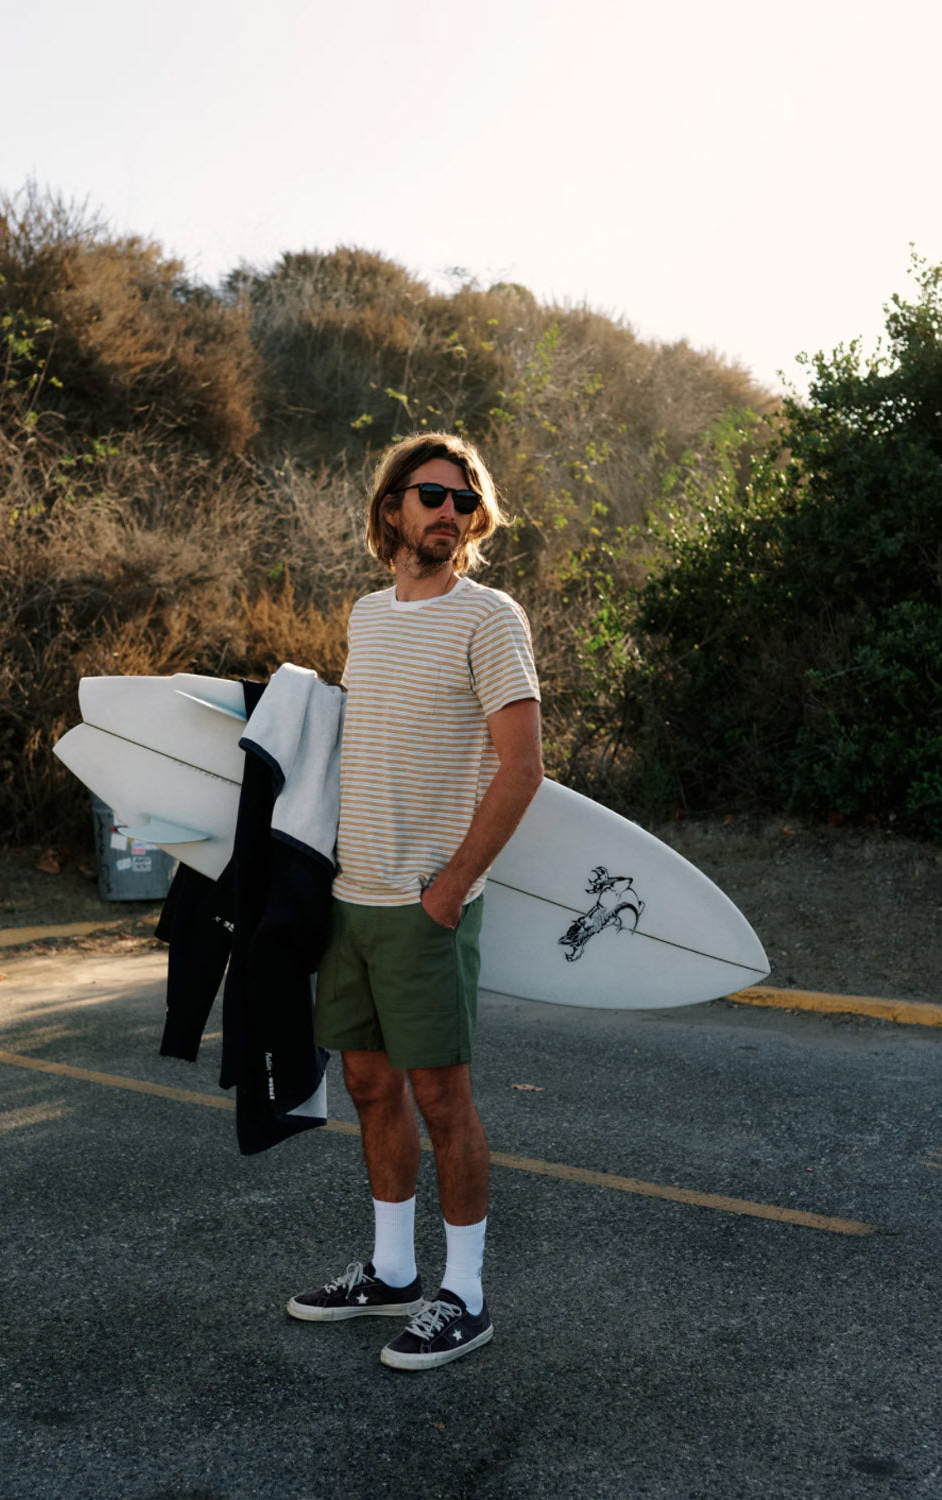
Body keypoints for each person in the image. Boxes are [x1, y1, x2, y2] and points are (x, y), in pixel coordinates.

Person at [286, 432, 543, 1370]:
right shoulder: (367, 614)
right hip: (350, 896)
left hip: (425, 903)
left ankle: (463, 1294)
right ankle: (392, 1270)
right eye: (431, 494)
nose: (448, 510)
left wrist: (449, 889)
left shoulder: (490, 618)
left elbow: (522, 770)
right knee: (366, 1084)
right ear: (391, 508)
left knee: (442, 1097)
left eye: (463, 499)